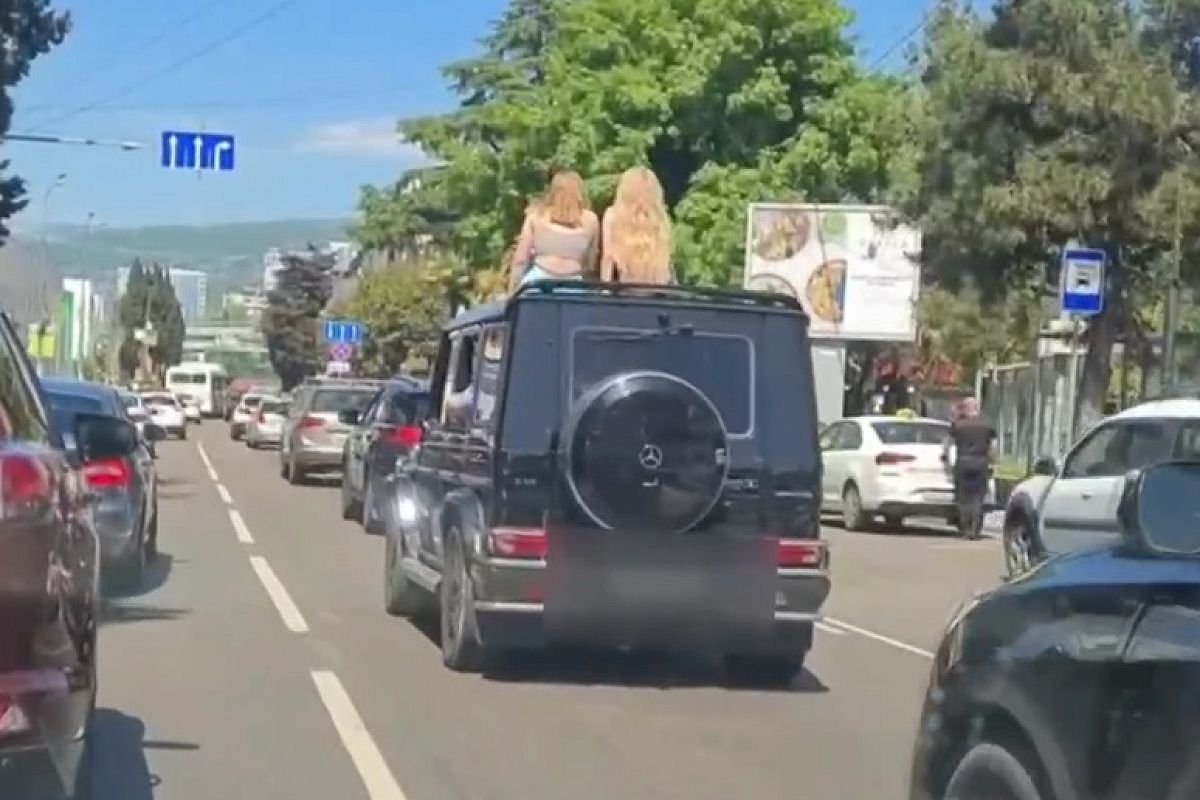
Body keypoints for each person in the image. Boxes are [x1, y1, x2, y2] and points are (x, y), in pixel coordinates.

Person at [509, 170, 599, 290]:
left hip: (538, 281)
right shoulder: (590, 220)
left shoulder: (536, 216)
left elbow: (520, 258)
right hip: (573, 284)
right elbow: (591, 261)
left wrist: (513, 288)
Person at [600, 166, 673, 284]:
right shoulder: (661, 219)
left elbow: (608, 257)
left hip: (625, 291)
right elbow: (666, 262)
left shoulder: (612, 215)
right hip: (656, 292)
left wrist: (604, 292)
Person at [943, 397, 995, 540]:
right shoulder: (986, 425)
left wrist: (947, 462)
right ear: (977, 408)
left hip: (963, 462)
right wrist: (993, 463)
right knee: (978, 496)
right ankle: (975, 529)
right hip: (981, 462)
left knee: (962, 497)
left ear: (965, 408)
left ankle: (965, 529)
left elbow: (949, 443)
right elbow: (992, 446)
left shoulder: (959, 425)